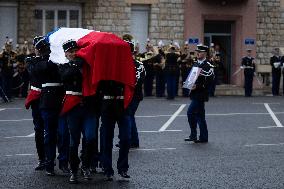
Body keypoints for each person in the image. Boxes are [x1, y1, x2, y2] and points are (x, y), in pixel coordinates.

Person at [59, 40, 99, 183]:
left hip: (88, 107)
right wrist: (77, 64)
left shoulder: (87, 65)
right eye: (71, 51)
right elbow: (65, 77)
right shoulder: (63, 67)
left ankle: (86, 166)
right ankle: (74, 170)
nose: (74, 53)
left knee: (90, 137)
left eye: (76, 50)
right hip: (73, 107)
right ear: (66, 54)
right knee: (74, 141)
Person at [36, 37, 64, 176]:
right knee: (49, 135)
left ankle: (64, 161)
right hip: (47, 101)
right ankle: (49, 163)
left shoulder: (60, 60)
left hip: (61, 99)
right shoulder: (39, 61)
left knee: (63, 133)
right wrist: (53, 57)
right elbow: (44, 68)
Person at [184, 44, 214, 143]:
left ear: (205, 53)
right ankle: (203, 137)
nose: (197, 53)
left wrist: (198, 86)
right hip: (194, 93)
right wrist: (188, 83)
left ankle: (194, 135)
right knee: (200, 116)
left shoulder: (208, 65)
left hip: (201, 94)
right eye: (197, 51)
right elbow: (192, 76)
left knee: (190, 112)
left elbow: (210, 81)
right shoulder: (196, 63)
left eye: (200, 52)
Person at [25, 36, 45, 171]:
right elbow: (32, 72)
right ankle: (42, 158)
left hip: (51, 98)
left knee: (54, 130)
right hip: (37, 99)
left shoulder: (50, 59)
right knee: (38, 129)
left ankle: (51, 157)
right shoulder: (31, 60)